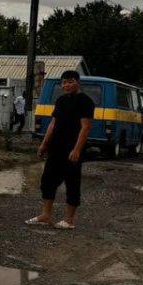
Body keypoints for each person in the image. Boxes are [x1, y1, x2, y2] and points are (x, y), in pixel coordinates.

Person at [26, 70, 95, 230]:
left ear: (77, 82)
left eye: (70, 82)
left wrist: (77, 149)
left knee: (72, 182)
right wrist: (44, 144)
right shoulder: (61, 100)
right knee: (47, 181)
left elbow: (85, 127)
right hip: (56, 147)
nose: (66, 85)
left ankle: (69, 220)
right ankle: (45, 215)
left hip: (72, 149)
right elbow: (53, 123)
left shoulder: (86, 102)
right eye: (64, 82)